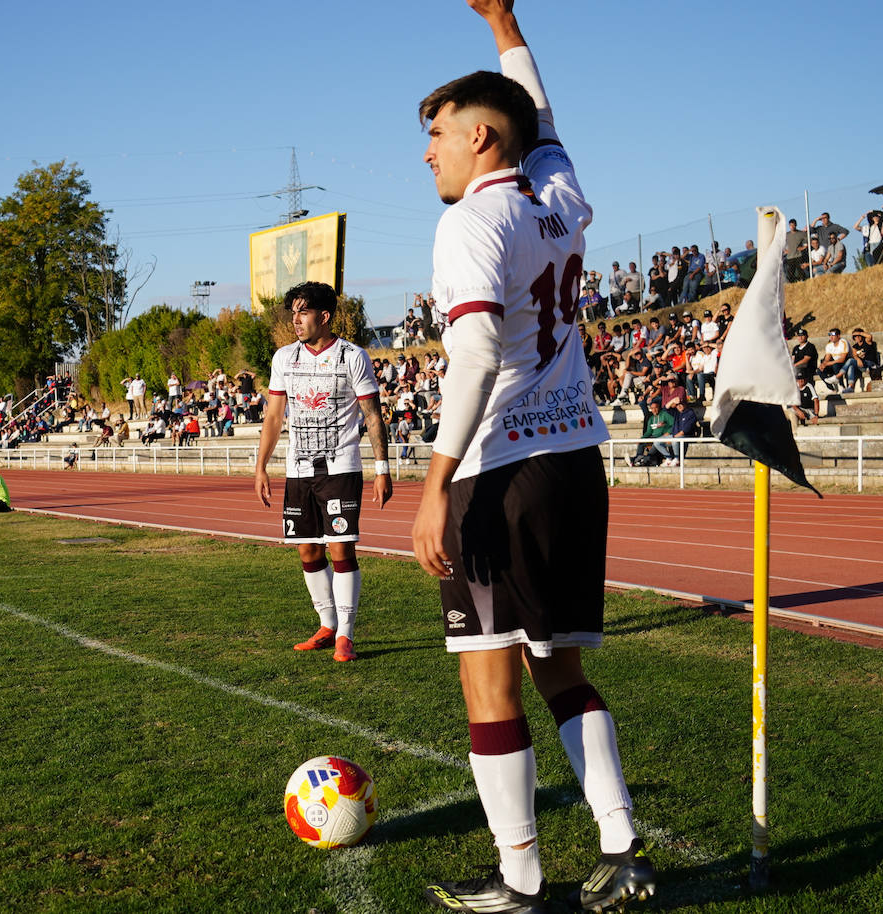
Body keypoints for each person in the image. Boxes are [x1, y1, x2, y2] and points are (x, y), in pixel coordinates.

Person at [411, 4, 654, 912]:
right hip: (573, 464)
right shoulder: (560, 198)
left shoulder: (469, 225)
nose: (427, 153)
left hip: (497, 472)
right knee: (561, 668)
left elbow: (473, 358)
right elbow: (543, 118)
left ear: (479, 137)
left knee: (487, 674)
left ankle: (518, 880)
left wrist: (437, 487)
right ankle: (623, 848)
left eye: (437, 135)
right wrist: (504, 21)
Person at [253, 280, 392, 664]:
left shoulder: (353, 356)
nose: (295, 320)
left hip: (341, 467)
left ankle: (346, 634)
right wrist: (261, 465)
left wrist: (382, 468)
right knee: (308, 548)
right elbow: (274, 416)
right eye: (292, 313)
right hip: (298, 470)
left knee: (341, 548)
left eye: (303, 312)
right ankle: (327, 624)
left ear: (324, 316)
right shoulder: (284, 358)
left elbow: (372, 415)